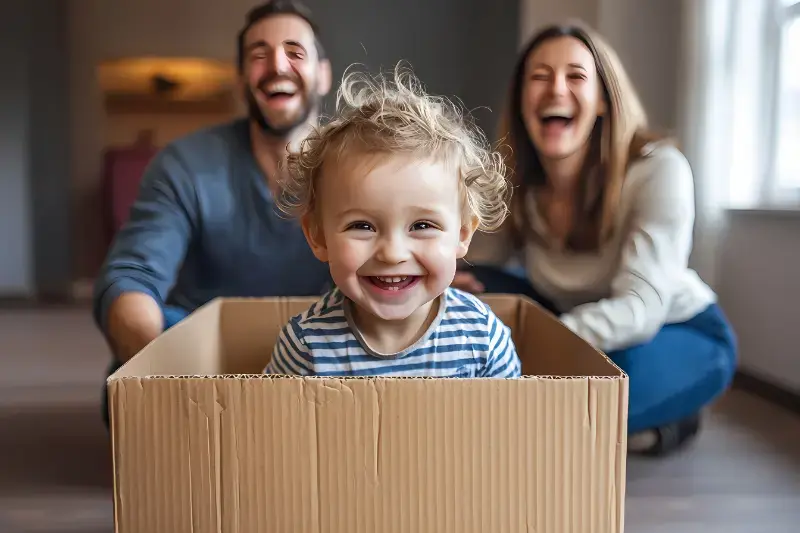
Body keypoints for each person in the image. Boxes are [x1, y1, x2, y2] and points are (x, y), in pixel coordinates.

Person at [453, 22, 738, 455]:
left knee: (582, 394)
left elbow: (640, 310)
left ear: (603, 100)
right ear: (521, 100)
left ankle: (664, 420)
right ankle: (626, 429)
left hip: (671, 329)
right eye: (539, 77)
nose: (556, 90)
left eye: (576, 76)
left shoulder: (659, 169)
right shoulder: (514, 180)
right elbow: (478, 261)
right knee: (474, 288)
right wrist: (444, 277)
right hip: (573, 318)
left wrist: (539, 346)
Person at [94, 0, 333, 426]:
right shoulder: (185, 163)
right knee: (154, 321)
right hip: (200, 354)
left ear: (323, 74)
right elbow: (131, 278)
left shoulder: (360, 164)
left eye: (295, 52)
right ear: (242, 78)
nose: (277, 65)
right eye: (258, 55)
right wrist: (173, 376)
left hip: (325, 348)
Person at [263, 65, 521, 378]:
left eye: (422, 226)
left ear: (463, 234)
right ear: (318, 236)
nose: (393, 253)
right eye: (362, 226)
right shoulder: (306, 348)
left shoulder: (483, 339)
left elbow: (511, 426)